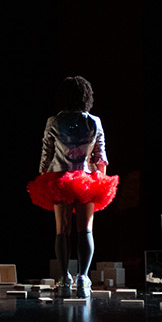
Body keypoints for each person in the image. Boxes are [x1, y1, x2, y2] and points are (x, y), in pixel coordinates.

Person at [26, 76, 119, 297]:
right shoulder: (94, 121)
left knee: (62, 229)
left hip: (59, 179)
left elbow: (46, 157)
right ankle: (83, 278)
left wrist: (45, 180)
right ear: (87, 97)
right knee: (85, 229)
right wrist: (101, 183)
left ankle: (64, 278)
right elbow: (101, 157)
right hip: (86, 178)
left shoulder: (54, 121)